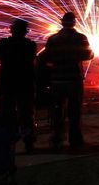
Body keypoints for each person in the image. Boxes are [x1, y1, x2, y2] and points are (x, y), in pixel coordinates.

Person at [39, 12, 93, 149]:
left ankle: (57, 139)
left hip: (57, 80)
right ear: (74, 23)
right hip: (74, 80)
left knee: (57, 112)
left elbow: (45, 58)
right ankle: (75, 140)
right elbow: (88, 55)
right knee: (75, 111)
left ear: (62, 23)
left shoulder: (53, 39)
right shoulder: (80, 38)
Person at [0, 19, 37, 153]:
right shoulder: (30, 45)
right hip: (25, 84)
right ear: (26, 32)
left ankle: (7, 144)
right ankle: (29, 143)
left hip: (7, 84)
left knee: (7, 115)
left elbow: (0, 56)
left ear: (11, 30)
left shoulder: (3, 44)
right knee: (26, 115)